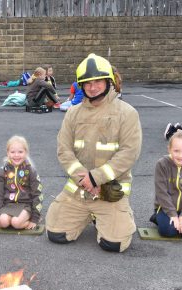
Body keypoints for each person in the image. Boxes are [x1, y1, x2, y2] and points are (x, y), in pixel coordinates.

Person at [45, 53, 142, 253]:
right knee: (56, 234)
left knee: (113, 244)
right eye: (87, 82)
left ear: (109, 81)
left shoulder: (127, 113)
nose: (93, 86)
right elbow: (64, 150)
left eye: (98, 81)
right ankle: (88, 215)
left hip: (109, 193)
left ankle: (114, 216)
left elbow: (129, 153)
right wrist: (86, 180)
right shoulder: (73, 113)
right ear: (81, 86)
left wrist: (96, 178)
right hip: (79, 192)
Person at [152, 131, 182, 239]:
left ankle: (179, 218)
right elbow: (161, 193)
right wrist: (172, 215)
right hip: (165, 208)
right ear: (169, 149)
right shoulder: (162, 164)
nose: (180, 155)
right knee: (169, 231)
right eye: (176, 151)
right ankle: (157, 217)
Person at [0, 136, 43, 230]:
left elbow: (37, 195)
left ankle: (28, 219)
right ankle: (10, 220)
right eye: (12, 152)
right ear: (8, 153)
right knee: (3, 222)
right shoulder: (3, 171)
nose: (16, 155)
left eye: (20, 152)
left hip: (26, 206)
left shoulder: (31, 171)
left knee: (16, 223)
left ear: (26, 153)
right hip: (8, 205)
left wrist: (34, 219)